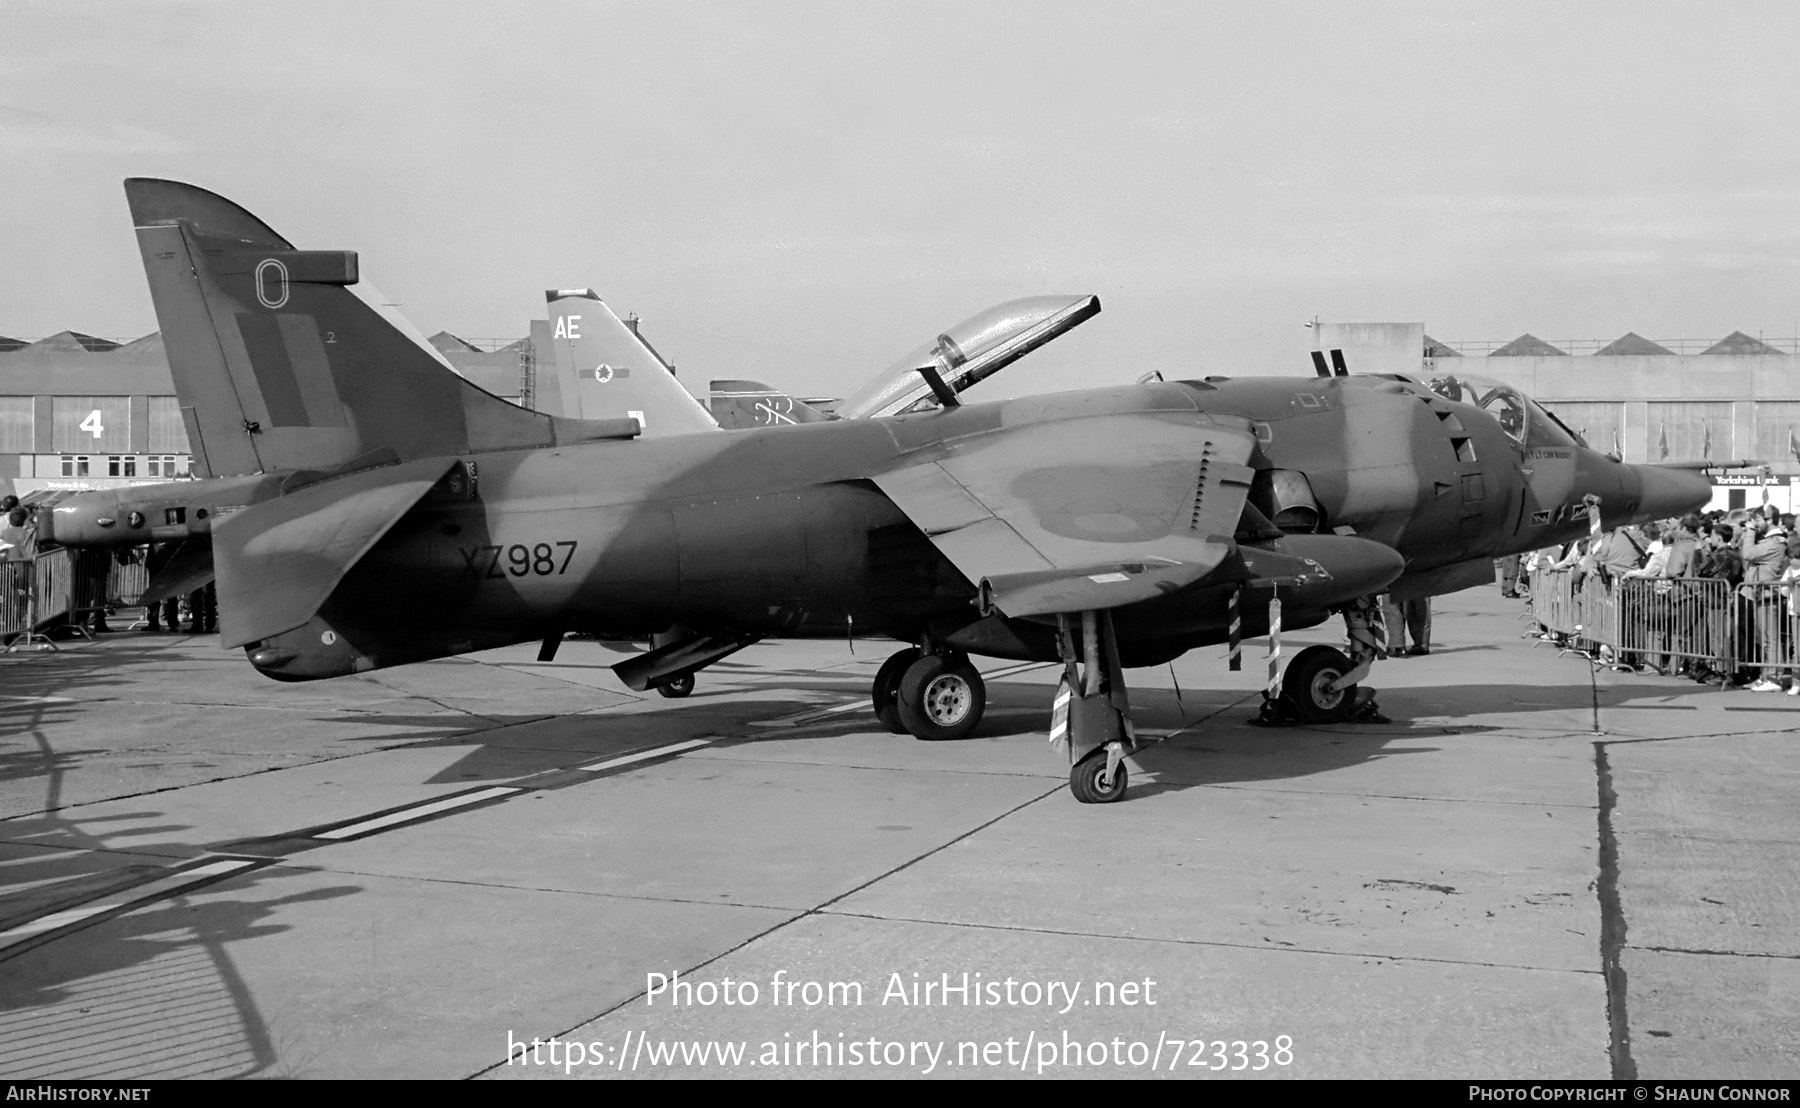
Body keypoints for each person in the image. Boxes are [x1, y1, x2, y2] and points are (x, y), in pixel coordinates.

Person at [1740, 511, 1789, 691]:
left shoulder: (1776, 543)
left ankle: (1774, 678)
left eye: (1758, 520)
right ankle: (1766, 675)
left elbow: (1748, 553)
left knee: (1771, 638)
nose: (1754, 523)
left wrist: (1750, 532)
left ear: (1770, 520)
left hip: (1770, 596)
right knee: (1764, 639)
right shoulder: (1767, 541)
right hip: (1760, 594)